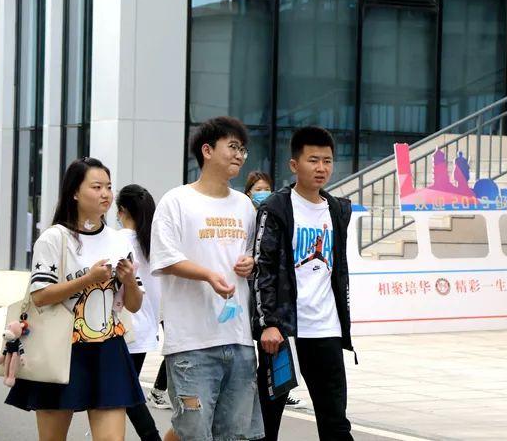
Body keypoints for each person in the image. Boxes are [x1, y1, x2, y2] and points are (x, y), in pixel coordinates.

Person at [5, 157, 146, 441]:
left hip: (109, 348)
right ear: (74, 193)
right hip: (62, 348)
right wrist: (88, 279)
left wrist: (130, 280)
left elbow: (133, 305)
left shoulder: (119, 240)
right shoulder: (54, 238)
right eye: (96, 187)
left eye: (109, 187)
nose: (105, 193)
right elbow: (40, 296)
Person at [150, 116, 264, 441]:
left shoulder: (245, 206)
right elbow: (165, 258)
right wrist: (208, 275)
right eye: (233, 146)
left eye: (243, 149)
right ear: (207, 150)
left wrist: (250, 263)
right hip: (192, 344)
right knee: (194, 433)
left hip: (238, 340)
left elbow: (252, 255)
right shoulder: (176, 201)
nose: (240, 155)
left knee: (235, 435)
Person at [252, 126, 355, 441]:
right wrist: (268, 323)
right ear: (294, 164)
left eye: (327, 161)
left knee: (335, 422)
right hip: (284, 333)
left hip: (326, 329)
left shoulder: (337, 210)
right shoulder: (276, 208)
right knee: (267, 420)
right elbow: (263, 268)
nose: (321, 168)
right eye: (313, 160)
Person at [245, 170, 306, 410]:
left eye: (266, 189)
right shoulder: (250, 215)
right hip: (253, 290)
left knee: (277, 354)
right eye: (258, 189)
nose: (263, 193)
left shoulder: (274, 213)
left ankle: (280, 389)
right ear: (248, 192)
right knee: (264, 348)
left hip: (268, 293)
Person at [116, 184, 163, 441]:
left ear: (121, 210)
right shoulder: (154, 244)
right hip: (145, 330)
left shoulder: (117, 241)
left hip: (120, 328)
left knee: (127, 394)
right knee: (125, 393)